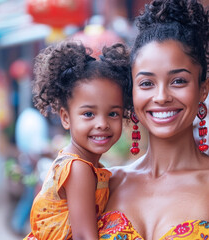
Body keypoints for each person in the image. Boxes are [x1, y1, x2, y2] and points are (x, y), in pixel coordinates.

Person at [97, 0, 209, 239]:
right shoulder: (104, 186)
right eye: (146, 83)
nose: (162, 97)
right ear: (132, 92)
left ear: (203, 89)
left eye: (178, 81)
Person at [24, 40, 131, 240]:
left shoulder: (87, 165)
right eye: (89, 114)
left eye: (113, 114)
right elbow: (84, 236)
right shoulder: (78, 168)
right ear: (66, 118)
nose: (102, 124)